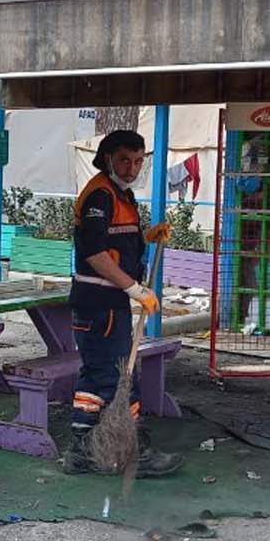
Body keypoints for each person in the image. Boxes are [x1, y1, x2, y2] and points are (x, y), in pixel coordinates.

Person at [60, 130, 182, 478]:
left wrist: (147, 236)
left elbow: (116, 243)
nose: (132, 167)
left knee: (94, 378)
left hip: (103, 304)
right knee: (119, 378)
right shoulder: (101, 195)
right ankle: (134, 454)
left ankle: (81, 452)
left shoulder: (119, 194)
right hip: (100, 303)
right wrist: (134, 289)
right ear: (107, 158)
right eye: (125, 159)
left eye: (139, 160)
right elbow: (95, 253)